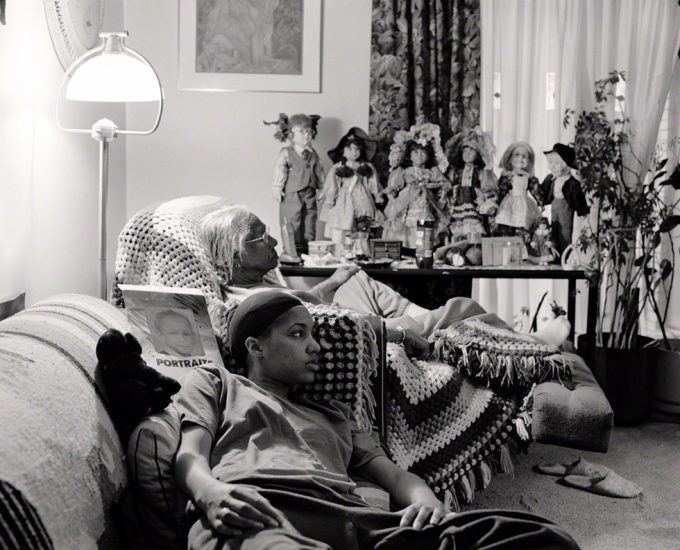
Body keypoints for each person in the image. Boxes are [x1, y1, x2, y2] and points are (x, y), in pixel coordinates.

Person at [174, 290, 579, 549]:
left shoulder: (333, 412)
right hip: (256, 511)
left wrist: (429, 506)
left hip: (351, 519)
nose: (315, 347)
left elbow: (398, 478)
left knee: (546, 539)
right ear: (254, 346)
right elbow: (188, 455)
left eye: (314, 334)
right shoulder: (217, 382)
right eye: (298, 335)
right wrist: (209, 494)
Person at [198, 205, 571, 350]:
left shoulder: (256, 283)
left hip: (351, 314)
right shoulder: (253, 302)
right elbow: (320, 319)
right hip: (371, 331)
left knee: (356, 279)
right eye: (261, 237)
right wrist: (393, 331)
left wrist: (332, 282)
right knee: (462, 305)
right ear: (234, 253)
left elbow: (312, 300)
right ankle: (533, 342)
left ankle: (428, 314)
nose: (274, 240)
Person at [383, 123, 452, 248]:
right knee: (407, 222)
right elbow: (394, 187)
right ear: (409, 155)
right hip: (408, 199)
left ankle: (422, 248)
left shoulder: (432, 171)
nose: (419, 156)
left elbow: (444, 184)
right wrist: (393, 199)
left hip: (426, 199)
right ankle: (409, 247)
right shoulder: (405, 171)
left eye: (422, 153)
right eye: (415, 153)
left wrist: (432, 187)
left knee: (424, 222)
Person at [318, 127, 383, 257]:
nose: (354, 152)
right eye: (351, 149)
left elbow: (373, 183)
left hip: (362, 198)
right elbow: (332, 185)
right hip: (344, 199)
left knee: (362, 223)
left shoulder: (366, 167)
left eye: (357, 149)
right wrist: (328, 197)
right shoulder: (338, 167)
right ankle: (340, 252)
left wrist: (377, 196)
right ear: (343, 151)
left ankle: (360, 250)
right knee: (342, 224)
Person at [267, 113, 325, 255]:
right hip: (292, 195)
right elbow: (280, 170)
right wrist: (277, 188)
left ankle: (307, 251)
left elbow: (319, 171)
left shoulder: (313, 154)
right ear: (291, 135)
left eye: (309, 131)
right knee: (292, 222)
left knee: (310, 221)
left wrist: (322, 187)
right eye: (302, 132)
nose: (307, 135)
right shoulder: (287, 153)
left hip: (309, 194)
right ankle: (291, 252)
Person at [444, 127, 498, 240]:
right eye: (465, 150)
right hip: (457, 203)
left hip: (472, 204)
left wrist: (484, 198)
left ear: (478, 154)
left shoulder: (481, 173)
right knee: (455, 228)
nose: (467, 153)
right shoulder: (455, 172)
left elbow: (488, 189)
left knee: (473, 229)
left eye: (472, 150)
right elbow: (447, 185)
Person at [541, 143, 589, 256]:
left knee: (565, 233)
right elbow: (543, 192)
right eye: (550, 163)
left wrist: (582, 212)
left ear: (566, 164)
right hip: (554, 206)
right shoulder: (551, 179)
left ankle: (564, 256)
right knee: (553, 231)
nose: (552, 166)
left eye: (556, 163)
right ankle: (554, 254)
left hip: (565, 207)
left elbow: (578, 198)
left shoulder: (572, 183)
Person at [494, 142, 544, 237]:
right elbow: (501, 192)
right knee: (506, 224)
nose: (520, 158)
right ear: (510, 159)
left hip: (525, 205)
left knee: (524, 226)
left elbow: (536, 192)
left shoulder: (529, 178)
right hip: (509, 204)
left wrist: (540, 202)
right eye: (517, 155)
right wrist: (495, 204)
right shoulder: (507, 177)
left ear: (529, 161)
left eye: (524, 156)